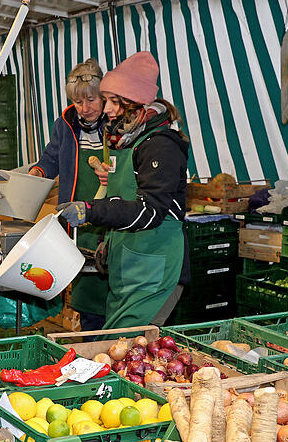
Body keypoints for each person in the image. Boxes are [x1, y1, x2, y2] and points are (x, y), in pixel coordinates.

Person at [56, 51, 190, 329]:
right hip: (127, 264)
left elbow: (149, 211)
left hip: (154, 267)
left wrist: (90, 210)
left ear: (135, 103)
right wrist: (109, 241)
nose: (106, 110)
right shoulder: (126, 141)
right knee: (114, 346)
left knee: (130, 348)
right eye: (107, 101)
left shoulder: (161, 145)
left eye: (114, 102)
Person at [29, 59, 109, 331]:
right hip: (76, 217)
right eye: (78, 102)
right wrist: (39, 172)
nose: (84, 108)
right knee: (85, 286)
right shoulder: (65, 124)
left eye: (91, 100)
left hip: (109, 215)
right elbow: (52, 157)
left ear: (104, 96)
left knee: (108, 277)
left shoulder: (115, 124)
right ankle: (90, 337)